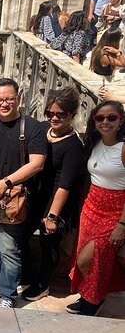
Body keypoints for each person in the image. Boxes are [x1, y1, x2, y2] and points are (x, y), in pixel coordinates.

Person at [0, 78, 47, 308]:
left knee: (9, 247)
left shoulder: (34, 127)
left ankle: (7, 294)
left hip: (14, 196)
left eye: (9, 99)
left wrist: (5, 183)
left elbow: (36, 164)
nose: (4, 103)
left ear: (19, 99)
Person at [21, 88, 84, 301]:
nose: (54, 118)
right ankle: (27, 275)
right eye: (50, 113)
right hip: (36, 195)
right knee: (20, 235)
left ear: (72, 115)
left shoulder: (74, 145)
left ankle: (42, 284)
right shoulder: (41, 130)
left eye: (60, 114)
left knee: (48, 244)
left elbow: (65, 185)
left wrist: (52, 217)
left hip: (57, 200)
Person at [68, 101, 125, 315]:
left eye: (112, 118)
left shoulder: (123, 148)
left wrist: (122, 224)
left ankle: (94, 301)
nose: (105, 122)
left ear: (120, 120)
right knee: (86, 259)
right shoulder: (93, 142)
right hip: (91, 208)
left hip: (115, 212)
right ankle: (86, 298)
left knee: (90, 261)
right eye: (100, 118)